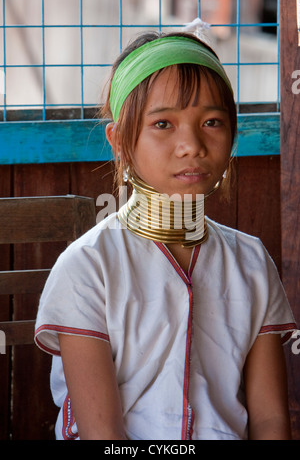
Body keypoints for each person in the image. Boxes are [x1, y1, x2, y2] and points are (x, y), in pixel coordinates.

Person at [35, 30, 297, 440]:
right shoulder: (88, 267)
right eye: (163, 124)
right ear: (120, 140)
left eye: (212, 122)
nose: (191, 145)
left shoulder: (250, 261)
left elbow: (270, 421)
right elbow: (104, 434)